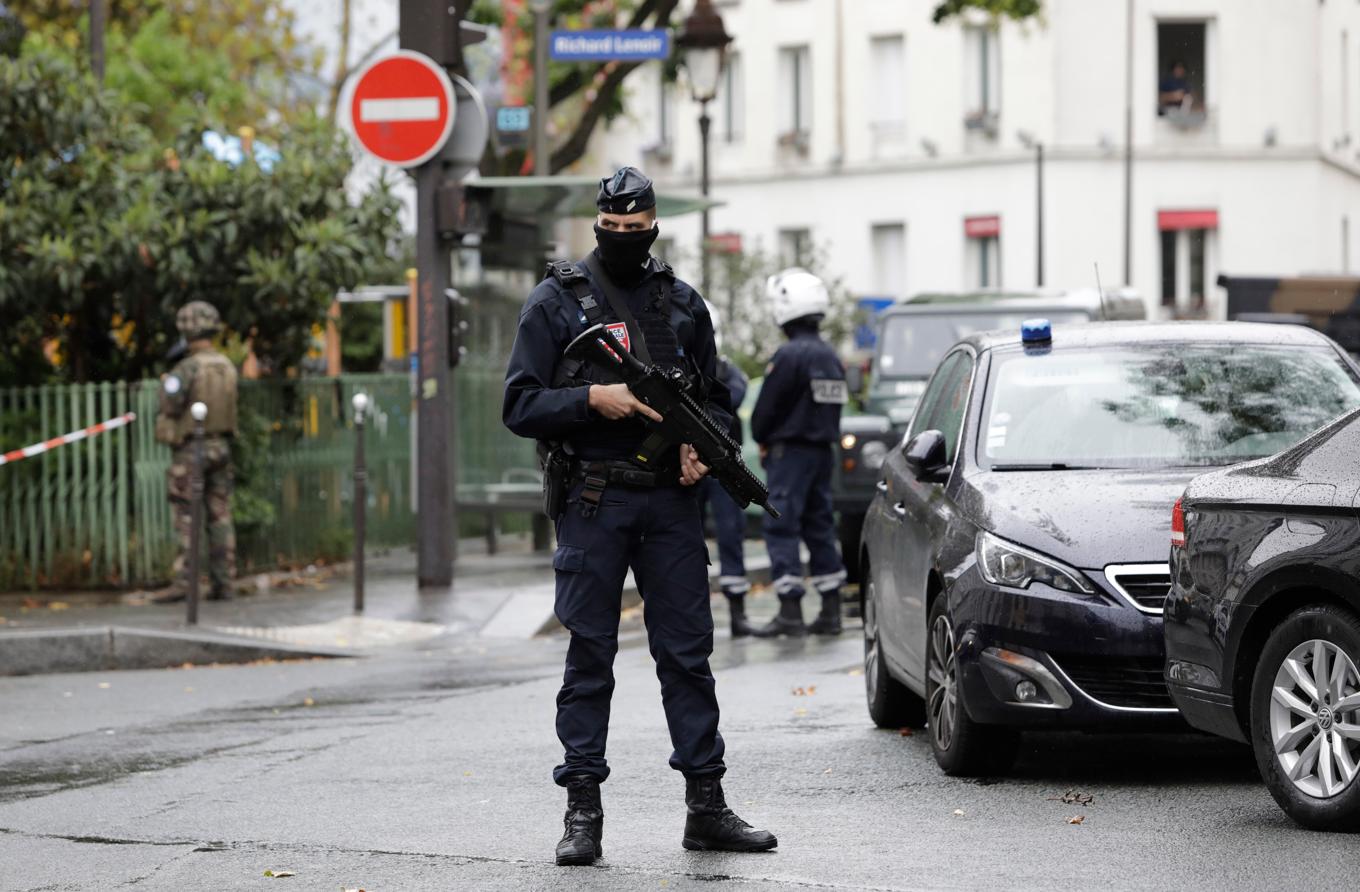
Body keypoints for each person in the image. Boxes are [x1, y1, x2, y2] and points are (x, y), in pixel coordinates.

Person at [502, 166, 778, 867]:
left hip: (670, 503)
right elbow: (520, 404)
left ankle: (707, 807)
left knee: (687, 656)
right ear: (600, 225)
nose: (626, 238)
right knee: (590, 656)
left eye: (638, 229)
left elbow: (717, 401)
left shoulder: (681, 303)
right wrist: (595, 401)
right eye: (614, 229)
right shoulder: (556, 304)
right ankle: (582, 812)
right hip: (595, 499)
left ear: (654, 225)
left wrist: (702, 452)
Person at [750, 269, 848, 638]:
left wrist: (762, 434)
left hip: (789, 455)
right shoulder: (830, 356)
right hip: (822, 454)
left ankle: (790, 612)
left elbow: (766, 410)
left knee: (781, 525)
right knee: (820, 526)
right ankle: (830, 610)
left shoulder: (790, 355)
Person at [152, 301, 238, 604]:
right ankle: (224, 582)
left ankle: (184, 583)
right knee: (220, 516)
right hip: (222, 448)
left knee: (187, 518)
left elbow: (169, 404)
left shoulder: (187, 368)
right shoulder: (226, 365)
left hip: (192, 450)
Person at [696, 300, 754, 638]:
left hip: (723, 466)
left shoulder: (727, 373)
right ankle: (694, 614)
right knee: (689, 539)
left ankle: (737, 612)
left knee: (731, 535)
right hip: (687, 467)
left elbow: (735, 396)